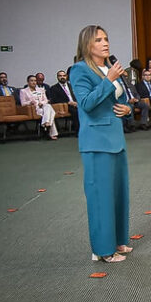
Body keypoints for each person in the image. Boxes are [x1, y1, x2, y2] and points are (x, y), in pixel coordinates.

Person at [70, 25, 134, 263]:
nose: (105, 43)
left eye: (106, 38)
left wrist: (128, 109)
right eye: (98, 40)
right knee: (101, 198)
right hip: (97, 142)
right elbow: (86, 103)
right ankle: (103, 250)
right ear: (87, 44)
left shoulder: (109, 68)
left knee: (118, 194)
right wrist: (109, 80)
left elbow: (121, 99)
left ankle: (118, 240)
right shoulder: (79, 70)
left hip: (116, 139)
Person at [19, 74, 58, 139]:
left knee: (48, 106)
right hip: (34, 108)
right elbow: (23, 103)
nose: (34, 82)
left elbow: (45, 100)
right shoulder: (23, 91)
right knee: (50, 112)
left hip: (43, 106)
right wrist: (30, 102)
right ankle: (49, 130)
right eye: (31, 81)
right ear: (28, 82)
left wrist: (41, 103)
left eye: (35, 81)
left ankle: (46, 124)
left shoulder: (40, 90)